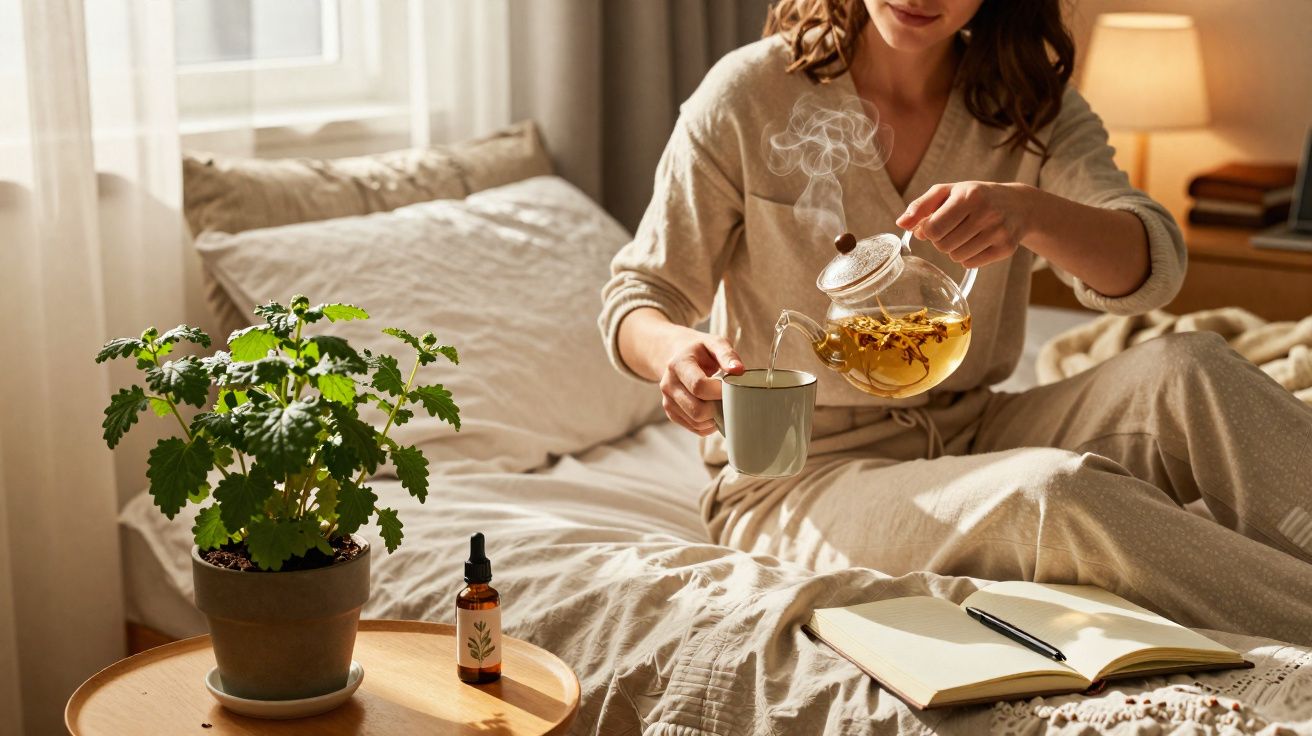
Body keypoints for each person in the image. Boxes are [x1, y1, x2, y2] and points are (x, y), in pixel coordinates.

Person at [599, 0, 1312, 645]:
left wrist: (1033, 214)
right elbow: (640, 293)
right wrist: (675, 350)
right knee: (1053, 493)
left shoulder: (1028, 105)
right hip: (796, 478)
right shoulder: (749, 95)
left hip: (972, 427)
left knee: (1189, 369)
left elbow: (1152, 266)